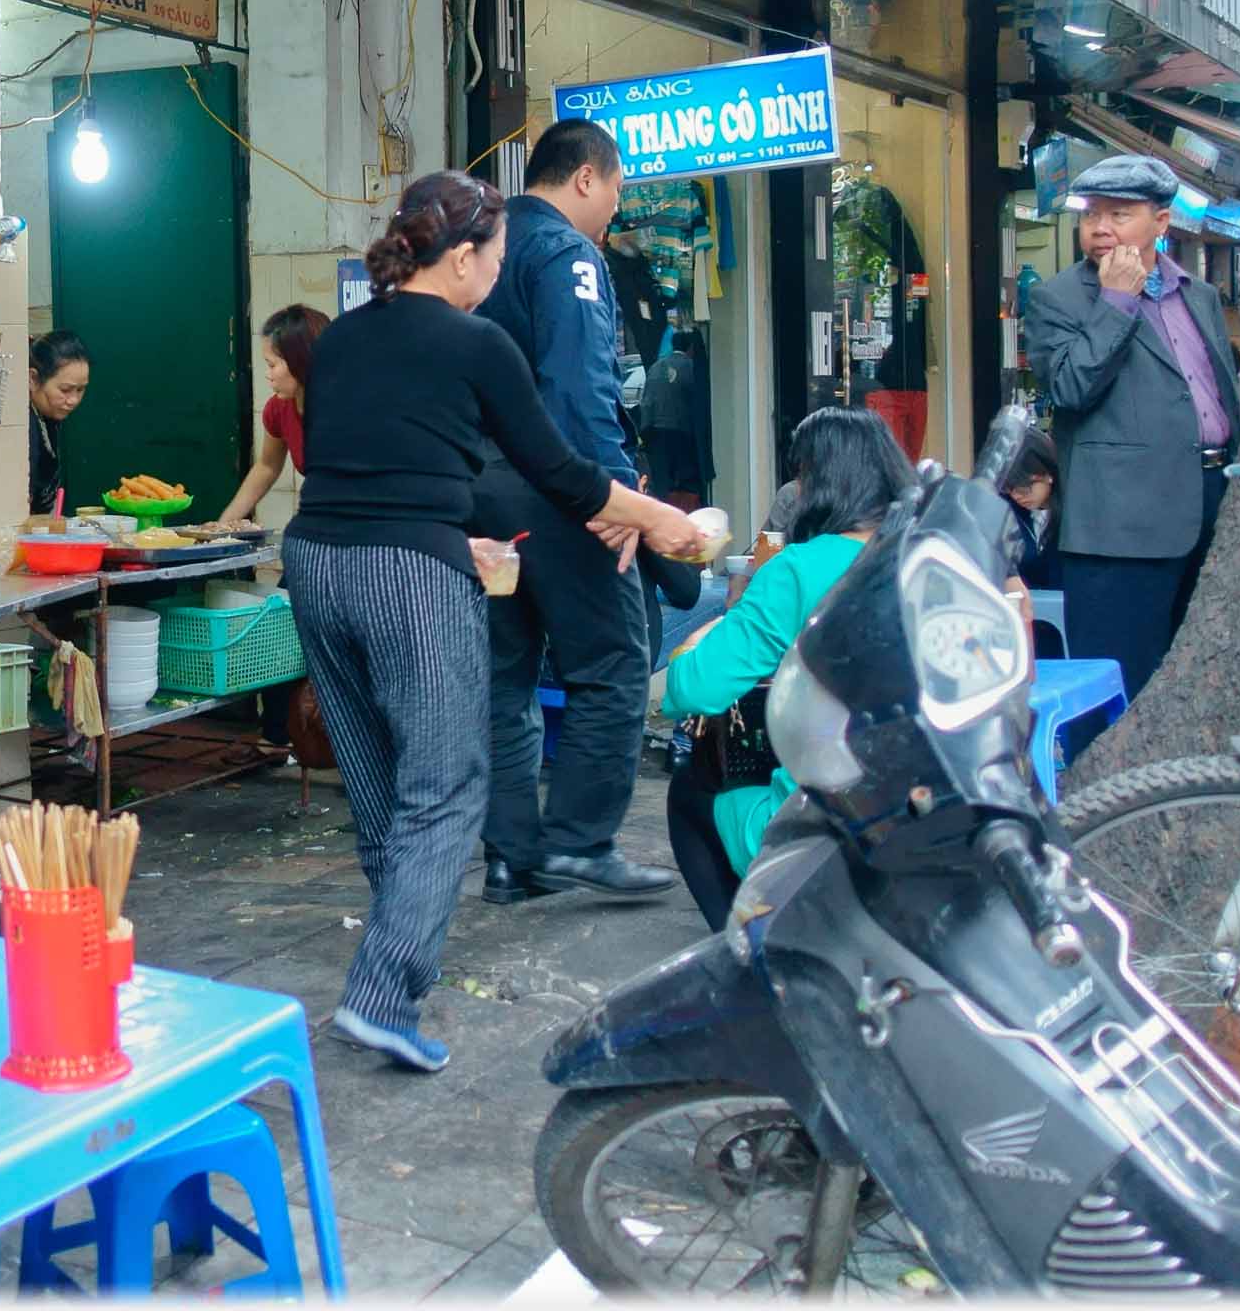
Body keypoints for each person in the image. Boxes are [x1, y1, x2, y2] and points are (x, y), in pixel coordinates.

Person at [284, 169, 705, 1072]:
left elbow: (368, 460)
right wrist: (658, 518)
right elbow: (559, 471)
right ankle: (384, 994)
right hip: (407, 574)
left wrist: (446, 529)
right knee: (445, 784)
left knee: (379, 776)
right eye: (497, 257)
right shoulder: (477, 343)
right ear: (464, 256)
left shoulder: (348, 337)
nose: (498, 273)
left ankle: (391, 960)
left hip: (317, 562)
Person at [468, 119, 683, 907]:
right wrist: (616, 499)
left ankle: (511, 857)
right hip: (557, 490)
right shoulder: (567, 254)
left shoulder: (480, 245)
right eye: (617, 190)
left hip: (477, 497)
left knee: (504, 675)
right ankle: (582, 844)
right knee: (615, 662)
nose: (615, 210)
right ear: (586, 177)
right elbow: (577, 391)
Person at [661, 408, 913, 930]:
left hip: (833, 815)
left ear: (817, 482)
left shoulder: (798, 569)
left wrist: (695, 641)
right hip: (931, 797)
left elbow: (695, 689)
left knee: (689, 789)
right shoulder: (929, 552)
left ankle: (745, 956)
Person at [1022, 154, 1240, 702]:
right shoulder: (1059, 298)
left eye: (1119, 215)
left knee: (1205, 679)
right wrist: (1118, 300)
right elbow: (1071, 389)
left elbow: (1215, 392)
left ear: (1161, 223)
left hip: (1212, 501)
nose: (1100, 229)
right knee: (1127, 683)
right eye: (1091, 215)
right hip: (1121, 523)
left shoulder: (1199, 294)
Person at [219, 303, 328, 523]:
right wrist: (222, 526)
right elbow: (268, 466)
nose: (268, 375)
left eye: (272, 365)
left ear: (302, 361)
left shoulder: (351, 408)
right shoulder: (278, 409)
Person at [28, 330, 91, 517]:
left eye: (80, 390)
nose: (73, 400)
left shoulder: (49, 415)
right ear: (33, 379)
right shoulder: (21, 426)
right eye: (65, 389)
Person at [1004, 423, 1062, 591]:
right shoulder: (1006, 511)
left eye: (1024, 487)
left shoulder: (1073, 513)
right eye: (1009, 488)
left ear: (1048, 474)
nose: (1017, 495)